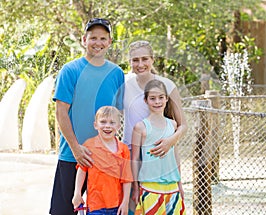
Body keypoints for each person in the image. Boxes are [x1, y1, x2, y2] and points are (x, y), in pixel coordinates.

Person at [50, 18, 125, 215]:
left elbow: (118, 114)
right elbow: (61, 112)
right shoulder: (70, 70)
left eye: (103, 38)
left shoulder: (116, 73)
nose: (97, 43)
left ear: (109, 42)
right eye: (93, 38)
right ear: (84, 40)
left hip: (104, 159)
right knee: (65, 211)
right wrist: (76, 149)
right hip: (73, 155)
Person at [123, 40, 187, 214]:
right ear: (130, 62)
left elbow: (182, 125)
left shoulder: (167, 86)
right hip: (132, 155)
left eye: (145, 59)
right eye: (135, 60)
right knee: (135, 208)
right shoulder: (123, 83)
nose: (140, 64)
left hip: (161, 155)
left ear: (152, 60)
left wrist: (170, 141)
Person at [131, 79, 186, 215]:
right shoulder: (140, 127)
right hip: (150, 187)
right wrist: (135, 187)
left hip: (172, 187)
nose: (157, 102)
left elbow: (175, 155)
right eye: (152, 98)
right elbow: (134, 159)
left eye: (161, 98)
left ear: (166, 99)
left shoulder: (172, 125)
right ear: (146, 100)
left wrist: (180, 184)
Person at [72, 106, 132, 215]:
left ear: (118, 126)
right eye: (103, 122)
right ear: (96, 125)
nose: (107, 126)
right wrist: (77, 193)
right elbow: (82, 170)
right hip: (95, 205)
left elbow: (127, 179)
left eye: (112, 122)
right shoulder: (89, 146)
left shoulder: (123, 149)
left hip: (116, 205)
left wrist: (125, 202)